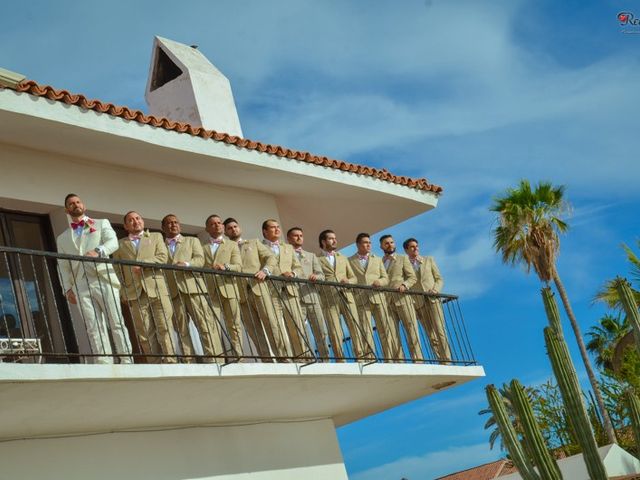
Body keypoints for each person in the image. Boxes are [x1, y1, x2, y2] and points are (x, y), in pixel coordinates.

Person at [56, 193, 132, 364]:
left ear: (83, 205)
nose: (75, 205)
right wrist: (67, 288)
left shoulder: (101, 223)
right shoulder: (62, 238)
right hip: (80, 283)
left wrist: (99, 251)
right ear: (66, 209)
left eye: (78, 201)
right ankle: (103, 362)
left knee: (116, 321)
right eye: (71, 203)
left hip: (103, 277)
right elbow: (62, 265)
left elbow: (113, 242)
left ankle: (126, 359)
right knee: (93, 326)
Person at [113, 211, 176, 363]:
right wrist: (123, 292)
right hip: (135, 293)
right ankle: (154, 364)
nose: (135, 221)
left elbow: (163, 257)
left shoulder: (156, 236)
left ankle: (171, 363)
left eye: (138, 218)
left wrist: (142, 264)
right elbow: (117, 271)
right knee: (145, 333)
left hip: (157, 289)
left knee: (165, 327)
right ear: (125, 226)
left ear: (143, 221)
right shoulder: (120, 244)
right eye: (131, 220)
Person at [162, 214, 224, 363]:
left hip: (193, 288)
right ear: (163, 228)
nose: (173, 225)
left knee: (204, 324)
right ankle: (188, 361)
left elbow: (200, 259)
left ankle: (215, 359)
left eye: (176, 222)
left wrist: (187, 264)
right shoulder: (161, 246)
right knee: (181, 329)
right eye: (169, 223)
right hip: (173, 292)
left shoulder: (192, 240)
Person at [223, 217, 286, 361]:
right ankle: (267, 360)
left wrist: (265, 271)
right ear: (226, 232)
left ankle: (283, 358)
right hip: (240, 294)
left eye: (235, 226)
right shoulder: (224, 248)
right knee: (253, 330)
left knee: (271, 324)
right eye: (230, 228)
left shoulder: (254, 242)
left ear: (240, 228)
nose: (233, 229)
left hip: (259, 288)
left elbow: (271, 258)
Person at [317, 229, 373, 361]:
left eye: (335, 238)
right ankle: (340, 360)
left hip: (347, 297)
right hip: (329, 299)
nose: (335, 240)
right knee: (335, 331)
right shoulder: (317, 259)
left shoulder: (342, 258)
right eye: (331, 238)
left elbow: (353, 278)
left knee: (355, 327)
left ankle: (361, 358)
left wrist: (348, 281)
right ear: (323, 242)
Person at [262, 219, 308, 359]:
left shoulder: (288, 248)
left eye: (278, 227)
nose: (277, 230)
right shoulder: (259, 246)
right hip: (271, 291)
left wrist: (293, 274)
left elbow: (298, 268)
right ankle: (284, 358)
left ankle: (303, 357)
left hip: (290, 290)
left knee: (297, 325)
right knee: (276, 327)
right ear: (265, 231)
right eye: (273, 227)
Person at [348, 233, 400, 360]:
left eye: (370, 242)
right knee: (366, 331)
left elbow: (385, 278)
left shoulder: (377, 259)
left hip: (378, 298)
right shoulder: (349, 261)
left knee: (385, 330)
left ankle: (390, 359)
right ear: (358, 244)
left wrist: (380, 282)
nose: (369, 245)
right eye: (365, 242)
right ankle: (370, 358)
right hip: (360, 299)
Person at [202, 214, 244, 357]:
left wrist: (225, 267)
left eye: (219, 223)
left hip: (229, 289)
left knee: (234, 325)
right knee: (211, 325)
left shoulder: (232, 245)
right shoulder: (203, 248)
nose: (218, 225)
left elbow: (238, 266)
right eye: (213, 224)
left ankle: (239, 357)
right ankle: (217, 358)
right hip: (210, 291)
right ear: (207, 228)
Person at [403, 237, 451, 362]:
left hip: (433, 300)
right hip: (418, 303)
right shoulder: (405, 265)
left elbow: (439, 278)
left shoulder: (429, 260)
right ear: (406, 250)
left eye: (417, 246)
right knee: (431, 335)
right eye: (412, 247)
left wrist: (436, 289)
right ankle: (440, 359)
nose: (416, 248)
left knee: (440, 331)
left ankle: (448, 359)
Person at [286, 227, 330, 359]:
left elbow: (321, 275)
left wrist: (316, 277)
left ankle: (325, 360)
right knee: (301, 333)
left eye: (301, 235)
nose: (299, 237)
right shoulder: (285, 255)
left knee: (321, 331)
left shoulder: (311, 256)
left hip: (312, 297)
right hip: (295, 298)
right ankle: (308, 360)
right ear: (288, 238)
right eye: (295, 236)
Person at [380, 234, 423, 361]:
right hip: (387, 302)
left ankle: (418, 360)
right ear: (381, 246)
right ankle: (399, 361)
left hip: (403, 300)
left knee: (411, 331)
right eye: (387, 243)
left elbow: (412, 277)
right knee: (392, 333)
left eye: (392, 242)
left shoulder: (403, 258)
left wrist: (405, 284)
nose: (390, 245)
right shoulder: (380, 262)